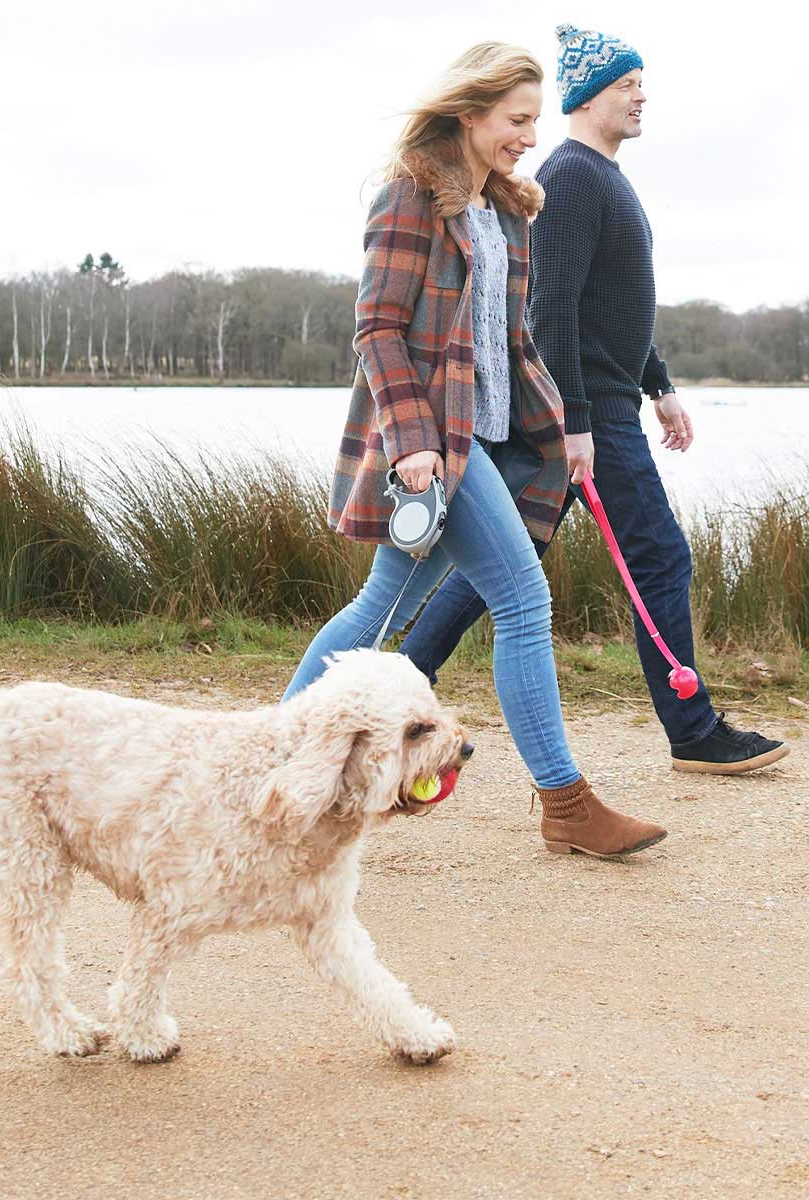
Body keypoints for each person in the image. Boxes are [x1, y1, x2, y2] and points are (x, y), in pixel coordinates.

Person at [285, 39, 666, 861]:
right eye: (517, 119)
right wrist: (413, 444)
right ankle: (565, 803)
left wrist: (564, 427)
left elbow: (513, 342)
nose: (530, 135)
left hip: (490, 438)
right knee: (523, 603)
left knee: (374, 613)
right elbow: (377, 331)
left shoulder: (510, 208)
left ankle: (273, 767)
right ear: (469, 112)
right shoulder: (411, 195)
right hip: (437, 446)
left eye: (533, 120)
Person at [393, 25, 790, 776]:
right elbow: (551, 311)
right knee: (660, 558)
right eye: (626, 84)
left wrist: (660, 384)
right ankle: (694, 730)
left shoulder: (603, 175)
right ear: (588, 95)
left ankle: (394, 691)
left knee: (499, 568)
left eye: (642, 83)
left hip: (604, 401)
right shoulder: (573, 177)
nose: (641, 95)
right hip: (586, 414)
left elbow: (618, 307)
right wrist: (574, 422)